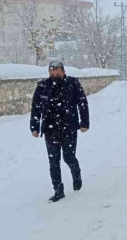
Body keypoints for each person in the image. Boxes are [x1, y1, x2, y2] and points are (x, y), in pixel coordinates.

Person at [30, 61, 89, 203]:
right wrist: (34, 127)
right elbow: (36, 107)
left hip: (69, 127)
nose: (55, 77)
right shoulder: (43, 86)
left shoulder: (73, 84)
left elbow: (82, 103)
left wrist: (84, 123)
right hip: (50, 129)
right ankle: (58, 190)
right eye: (52, 75)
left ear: (63, 72)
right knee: (53, 161)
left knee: (69, 157)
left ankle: (76, 173)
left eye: (57, 74)